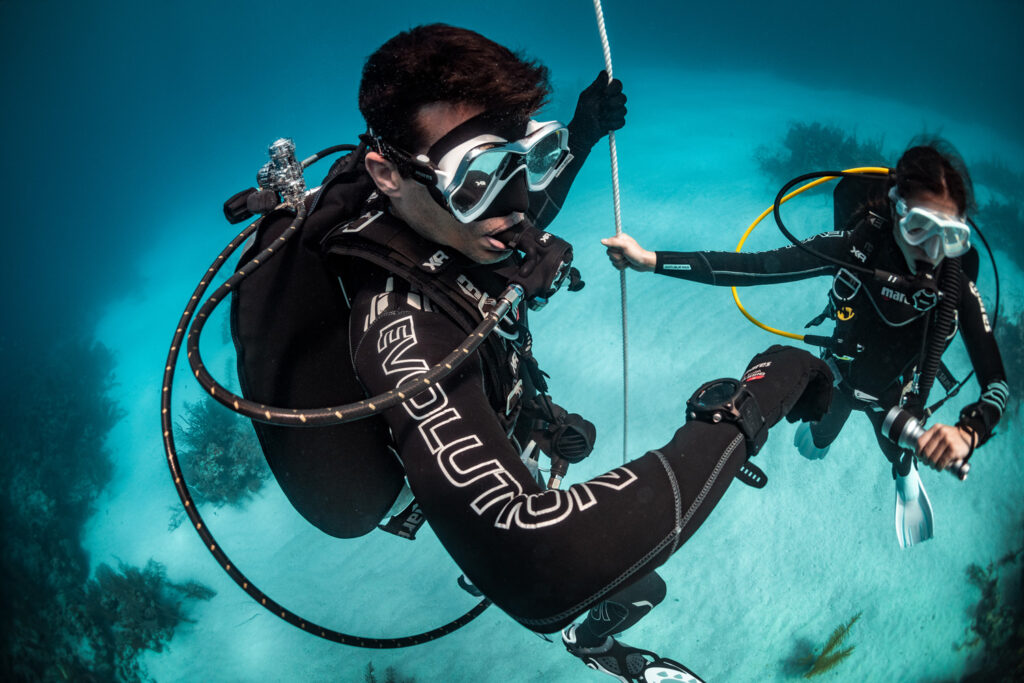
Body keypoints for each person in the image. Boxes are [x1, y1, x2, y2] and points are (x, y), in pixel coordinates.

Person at [235, 24, 833, 682]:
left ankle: (564, 610)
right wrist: (754, 400)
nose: (516, 205)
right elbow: (539, 555)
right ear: (386, 174)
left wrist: (578, 133)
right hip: (425, 443)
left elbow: (526, 202)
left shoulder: (455, 223)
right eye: (479, 177)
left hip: (491, 395)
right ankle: (559, 615)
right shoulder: (399, 332)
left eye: (526, 158)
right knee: (523, 561)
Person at [602, 140, 1008, 547]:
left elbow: (996, 384)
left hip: (895, 399)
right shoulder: (854, 247)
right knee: (815, 442)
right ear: (895, 207)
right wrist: (650, 260)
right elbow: (752, 268)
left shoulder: (955, 285)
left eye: (950, 236)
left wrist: (967, 434)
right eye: (919, 228)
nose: (932, 252)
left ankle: (904, 475)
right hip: (839, 374)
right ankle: (847, 441)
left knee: (902, 456)